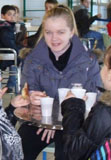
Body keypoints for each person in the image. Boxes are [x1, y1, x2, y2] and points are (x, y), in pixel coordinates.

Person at [19, 6, 102, 160]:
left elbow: (96, 97)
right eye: (48, 32)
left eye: (60, 32)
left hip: (76, 123)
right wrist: (31, 98)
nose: (54, 38)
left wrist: (58, 121)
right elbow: (25, 93)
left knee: (68, 152)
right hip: (41, 121)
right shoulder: (32, 60)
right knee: (19, 146)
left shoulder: (89, 61)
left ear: (71, 32)